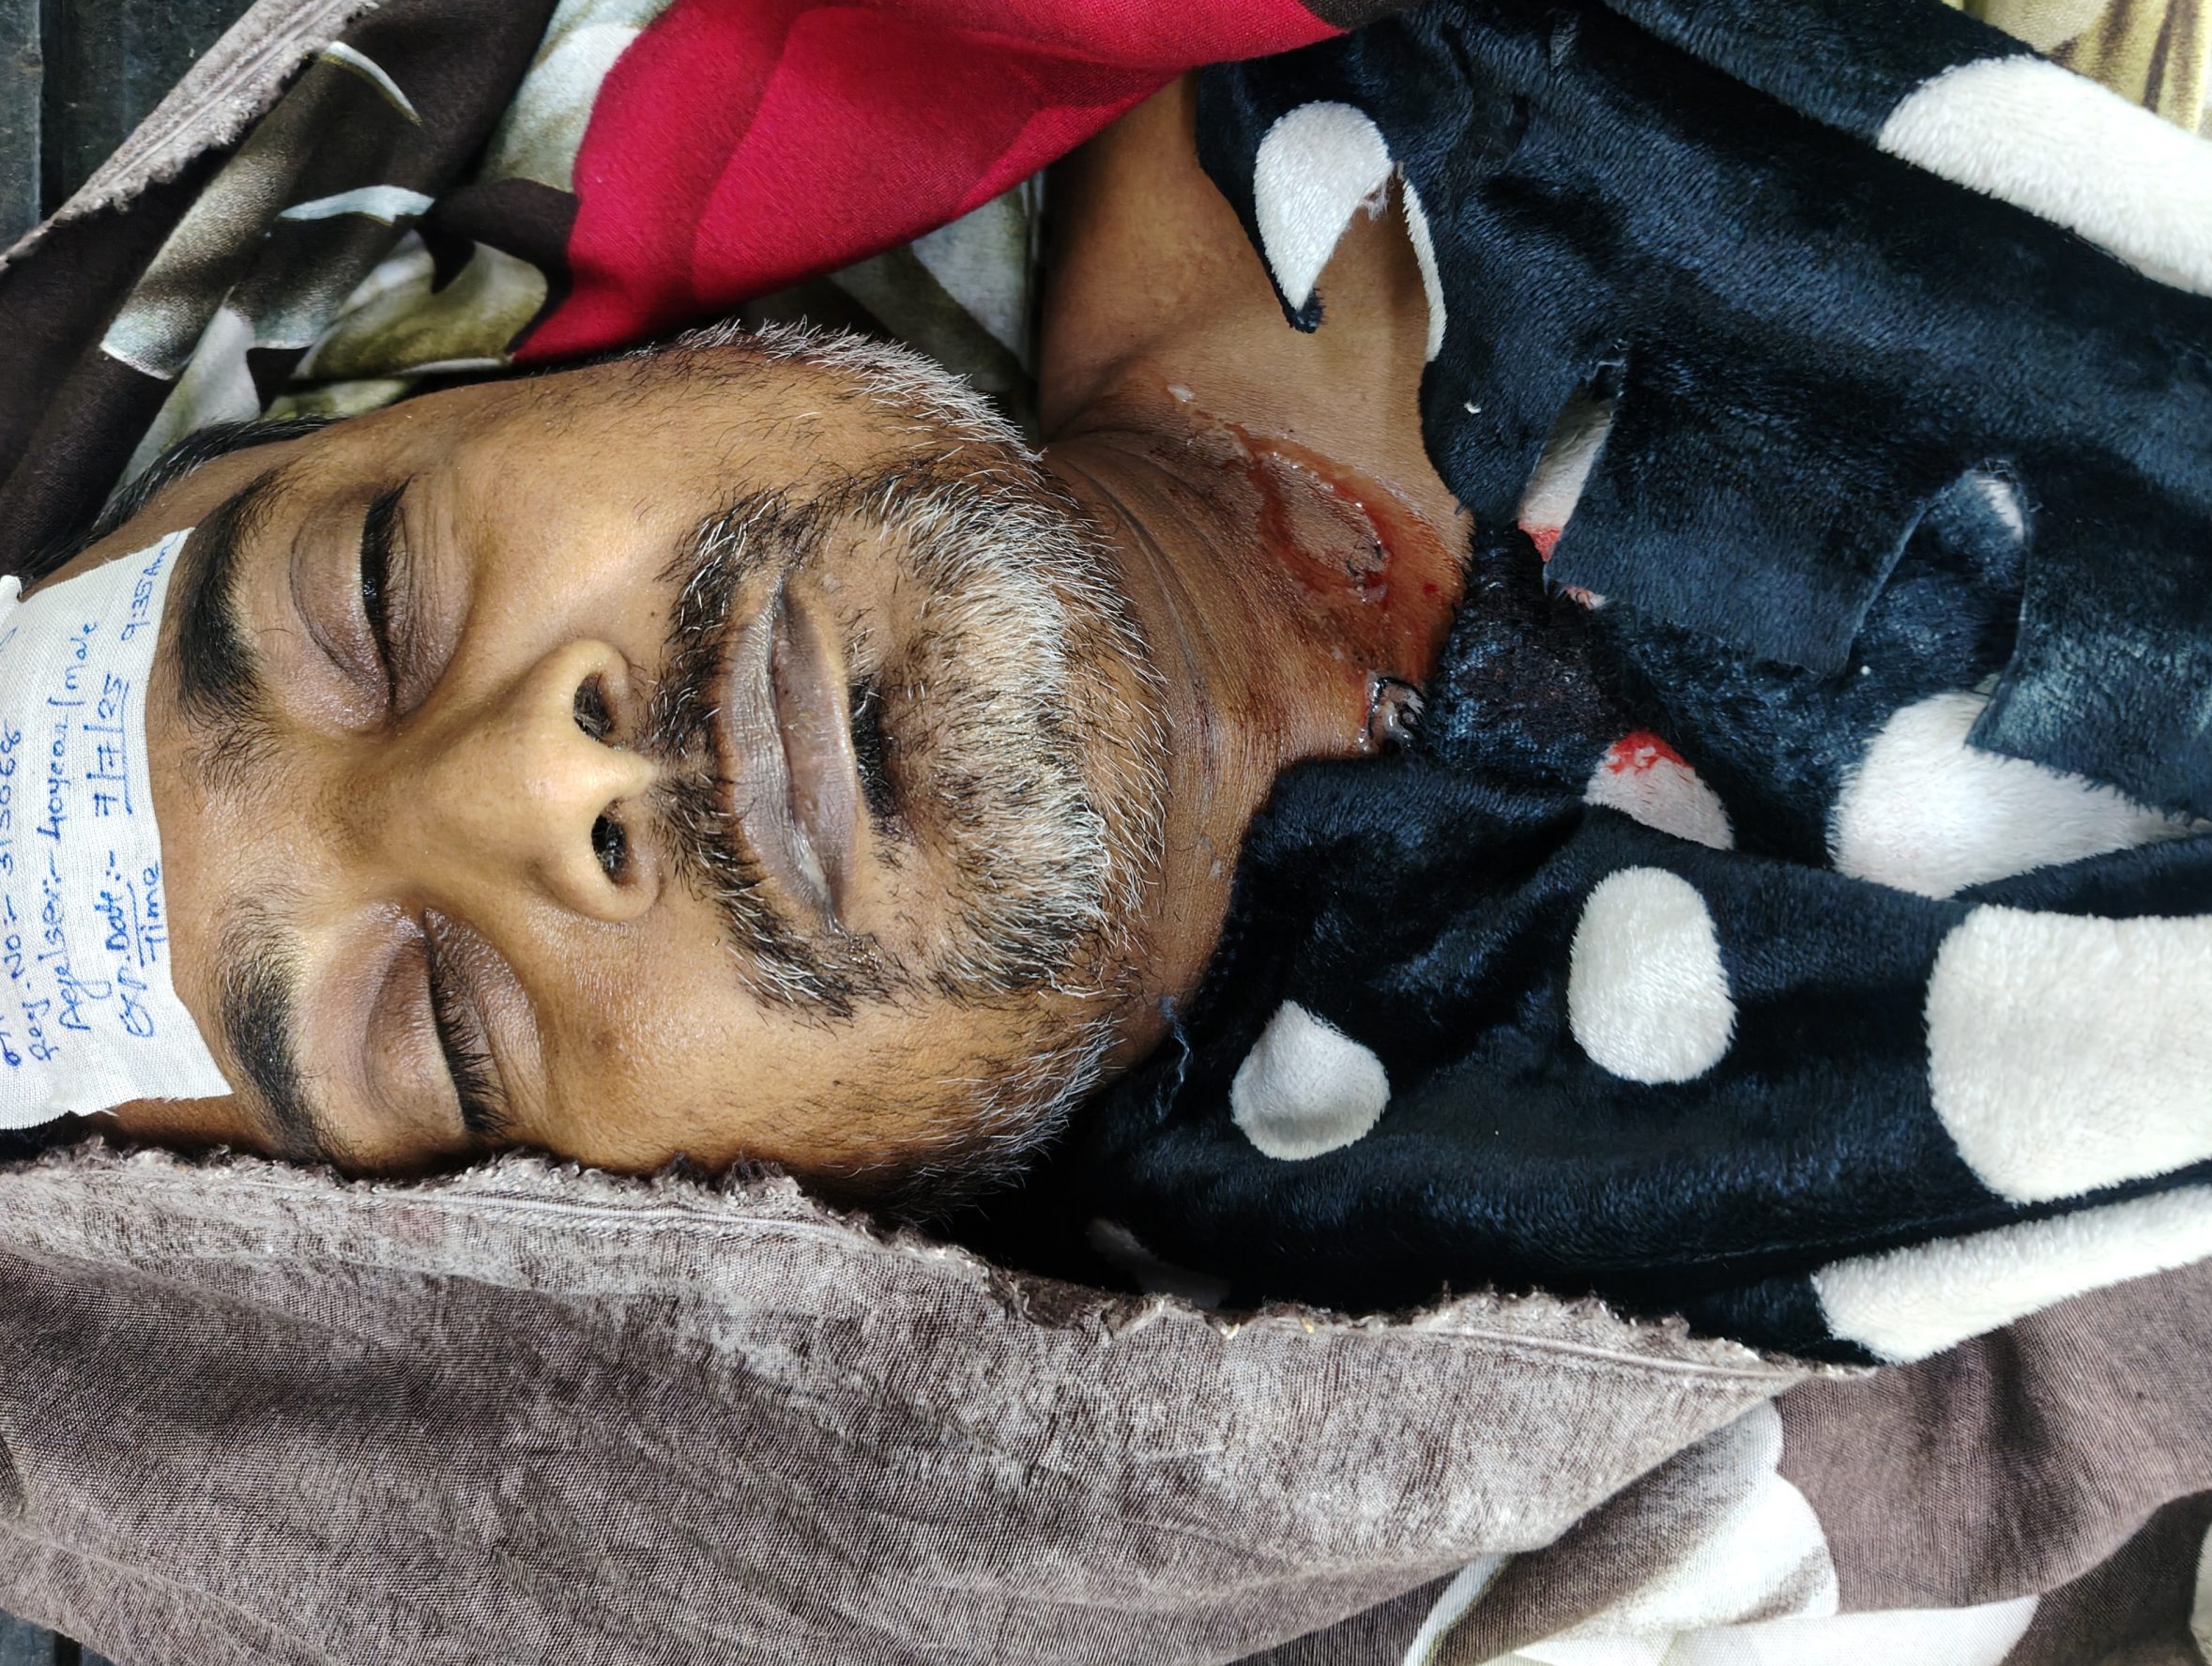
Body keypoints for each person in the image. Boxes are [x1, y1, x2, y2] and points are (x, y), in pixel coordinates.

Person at [39, 78, 1470, 1202]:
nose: (546, 778)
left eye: (373, 595)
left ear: (489, 386)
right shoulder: (1461, 1307)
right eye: (446, 1031)